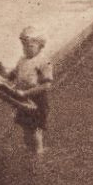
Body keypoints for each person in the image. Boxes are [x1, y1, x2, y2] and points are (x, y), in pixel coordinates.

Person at [8, 26, 54, 156]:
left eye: (30, 46)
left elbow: (46, 85)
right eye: (24, 46)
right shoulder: (22, 60)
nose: (26, 49)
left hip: (37, 100)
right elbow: (14, 74)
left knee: (34, 129)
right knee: (25, 127)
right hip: (23, 99)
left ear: (40, 45)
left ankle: (38, 152)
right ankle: (29, 150)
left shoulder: (44, 61)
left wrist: (26, 93)